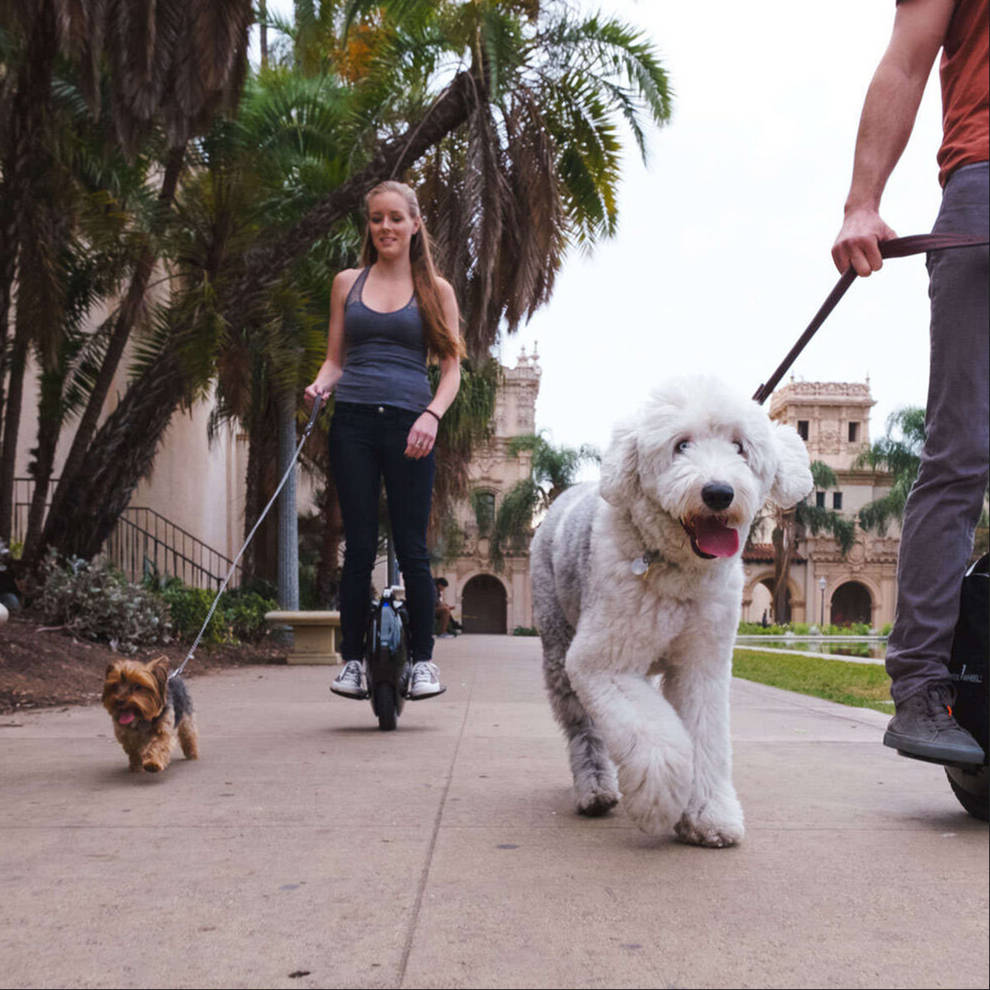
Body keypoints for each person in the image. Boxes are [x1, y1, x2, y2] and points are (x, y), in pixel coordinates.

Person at [831, 0, 987, 764]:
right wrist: (863, 199)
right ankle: (921, 684)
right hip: (985, 182)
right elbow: (908, 55)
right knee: (962, 450)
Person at [305, 180, 464, 700]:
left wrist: (432, 416)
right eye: (376, 219)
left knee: (413, 550)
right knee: (358, 550)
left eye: (396, 218)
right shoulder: (346, 282)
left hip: (410, 426)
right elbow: (335, 359)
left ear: (415, 224)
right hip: (351, 422)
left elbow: (451, 370)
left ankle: (422, 662)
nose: (385, 228)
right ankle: (352, 661)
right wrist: (320, 384)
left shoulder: (435, 290)